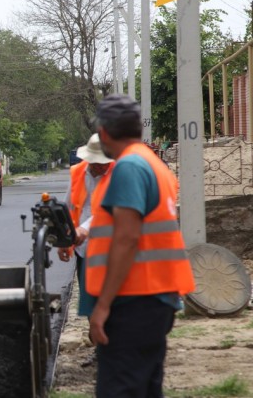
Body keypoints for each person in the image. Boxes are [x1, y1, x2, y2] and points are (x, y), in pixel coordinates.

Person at [86, 94, 195, 398]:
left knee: (121, 389)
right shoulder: (152, 163)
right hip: (155, 299)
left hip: (133, 301)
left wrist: (103, 306)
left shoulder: (129, 167)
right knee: (146, 387)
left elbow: (127, 238)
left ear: (104, 133)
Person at [57, 133, 114, 320]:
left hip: (110, 249)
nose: (102, 167)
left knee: (110, 299)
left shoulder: (118, 174)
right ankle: (97, 337)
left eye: (105, 162)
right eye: (98, 163)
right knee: (89, 298)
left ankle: (108, 339)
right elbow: (67, 209)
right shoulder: (78, 173)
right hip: (84, 250)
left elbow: (109, 210)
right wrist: (63, 240)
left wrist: (84, 229)